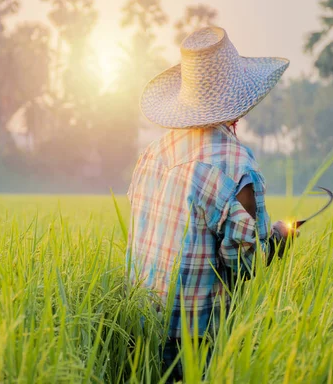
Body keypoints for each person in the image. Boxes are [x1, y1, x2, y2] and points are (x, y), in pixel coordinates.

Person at [126, 26, 298, 381]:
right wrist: (279, 239)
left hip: (137, 330)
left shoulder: (152, 154)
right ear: (240, 101)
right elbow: (246, 265)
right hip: (195, 343)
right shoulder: (235, 166)